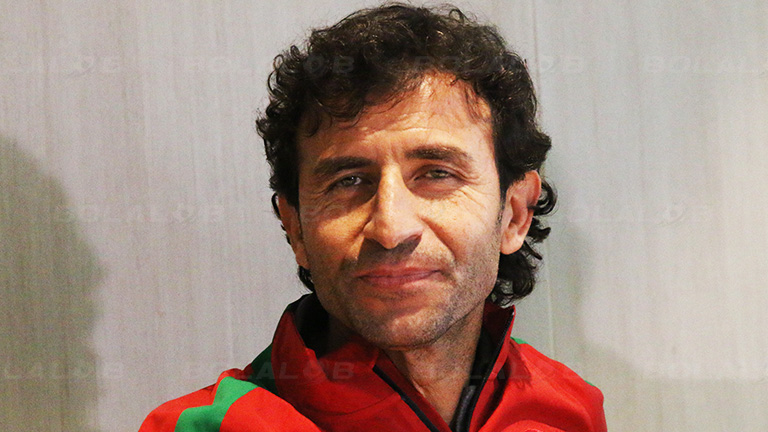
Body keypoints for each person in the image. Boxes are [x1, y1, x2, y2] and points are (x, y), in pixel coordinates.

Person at [140, 4, 606, 431]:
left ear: (515, 214)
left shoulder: (572, 409)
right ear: (295, 227)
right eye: (348, 181)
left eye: (437, 174)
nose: (391, 228)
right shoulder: (205, 428)